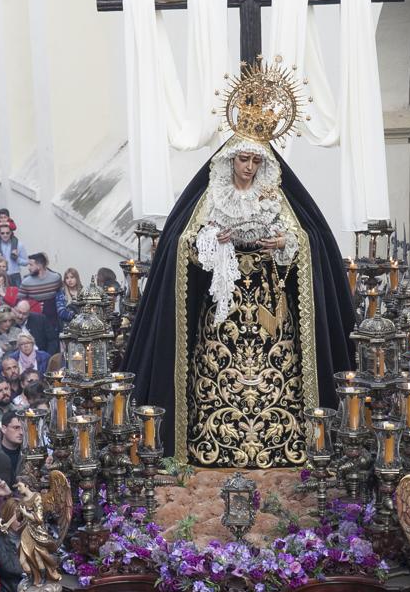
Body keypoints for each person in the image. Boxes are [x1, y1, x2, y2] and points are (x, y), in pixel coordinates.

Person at [123, 90, 355, 465]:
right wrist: (213, 242)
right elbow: (182, 246)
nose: (248, 167)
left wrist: (283, 242)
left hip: (270, 313)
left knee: (277, 375)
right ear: (229, 160)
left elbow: (311, 241)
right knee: (215, 372)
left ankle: (283, 444)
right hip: (222, 312)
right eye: (243, 159)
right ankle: (212, 444)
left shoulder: (276, 197)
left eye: (254, 160)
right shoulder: (212, 196)